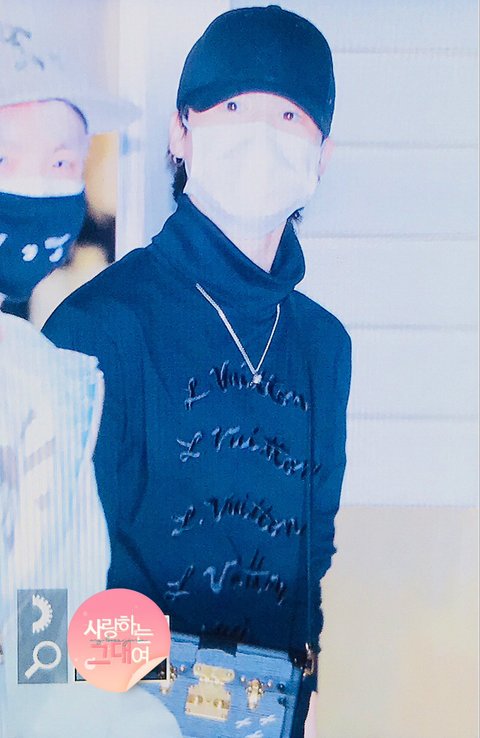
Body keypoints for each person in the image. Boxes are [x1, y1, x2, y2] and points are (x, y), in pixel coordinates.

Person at [43, 6, 352, 736]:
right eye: (233, 107)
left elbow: (311, 560)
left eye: (289, 115)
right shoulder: (97, 328)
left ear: (322, 154)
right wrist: (178, 695)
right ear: (180, 132)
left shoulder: (323, 346)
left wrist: (293, 702)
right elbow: (38, 599)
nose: (261, 135)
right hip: (111, 719)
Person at [0, 20, 182, 738]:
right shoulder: (35, 377)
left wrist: (152, 658)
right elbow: (35, 665)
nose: (35, 187)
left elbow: (39, 632)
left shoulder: (38, 363)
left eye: (60, 163)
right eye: (3, 156)